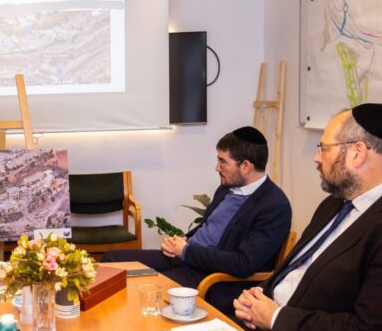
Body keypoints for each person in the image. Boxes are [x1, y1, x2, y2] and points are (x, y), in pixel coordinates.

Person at [234, 103, 382, 331]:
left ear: (357, 153)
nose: (317, 158)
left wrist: (275, 318)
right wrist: (258, 296)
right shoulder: (337, 202)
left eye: (324, 148)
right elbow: (296, 269)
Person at [102, 126, 291, 306]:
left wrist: (186, 251)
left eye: (223, 162)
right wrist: (182, 240)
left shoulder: (274, 206)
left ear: (246, 166)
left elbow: (243, 264)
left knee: (140, 290)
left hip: (209, 275)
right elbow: (206, 227)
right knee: (111, 261)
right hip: (185, 257)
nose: (217, 167)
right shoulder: (226, 188)